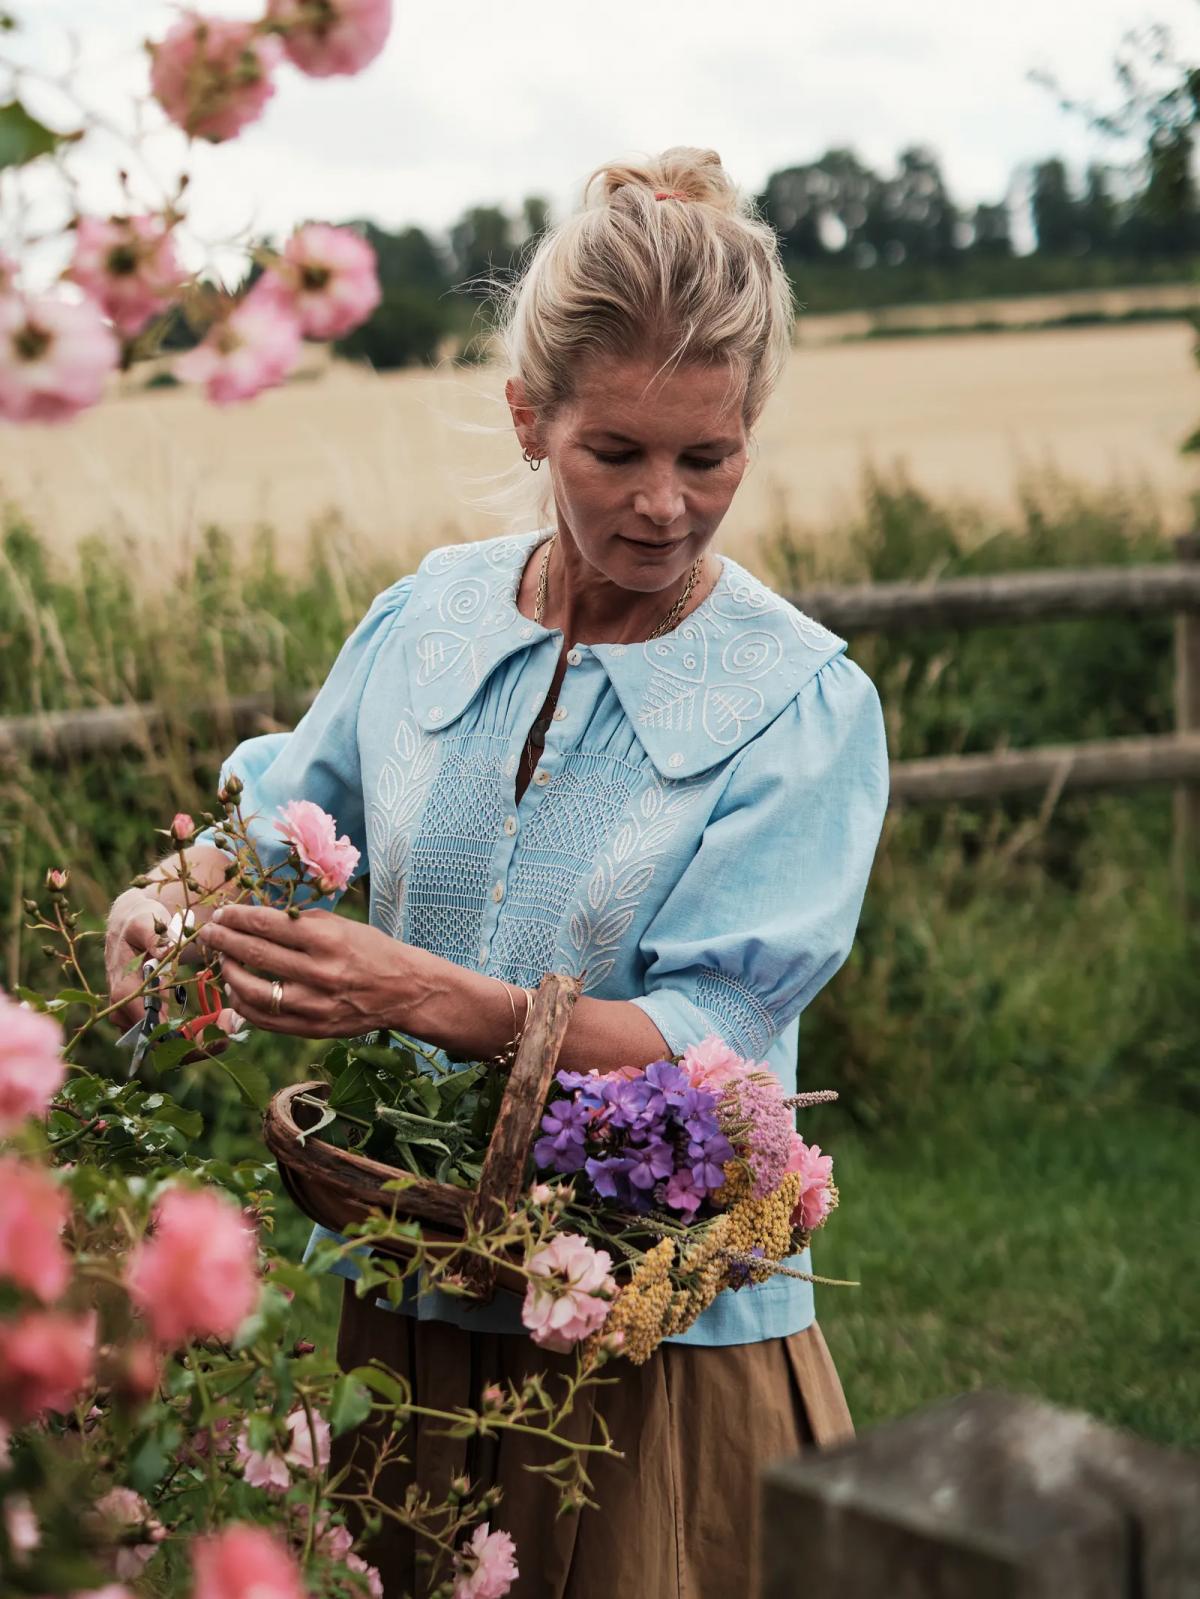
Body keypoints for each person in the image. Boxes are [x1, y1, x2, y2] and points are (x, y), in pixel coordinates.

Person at [104, 146, 889, 1599]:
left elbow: (716, 1037)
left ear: (751, 429)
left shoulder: (797, 703)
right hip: (410, 1297)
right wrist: (168, 901)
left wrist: (431, 994)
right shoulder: (431, 619)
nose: (664, 504)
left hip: (647, 1337)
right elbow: (286, 826)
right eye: (619, 454)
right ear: (534, 421)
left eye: (707, 457)